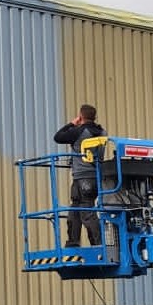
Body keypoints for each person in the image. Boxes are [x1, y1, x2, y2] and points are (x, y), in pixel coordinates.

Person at [53, 104, 107, 247]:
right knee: (76, 208)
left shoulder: (79, 131)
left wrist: (72, 123)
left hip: (82, 177)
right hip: (96, 176)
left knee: (86, 210)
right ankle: (73, 242)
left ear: (81, 116)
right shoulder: (102, 132)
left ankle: (98, 244)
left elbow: (58, 137)